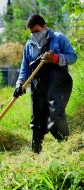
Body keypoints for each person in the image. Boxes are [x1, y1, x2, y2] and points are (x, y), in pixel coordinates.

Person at [13, 15, 77, 154]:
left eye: (37, 31)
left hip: (57, 82)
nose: (35, 35)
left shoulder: (59, 38)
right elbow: (25, 68)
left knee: (55, 116)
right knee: (37, 119)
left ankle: (66, 149)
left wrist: (55, 58)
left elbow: (73, 57)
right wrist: (19, 84)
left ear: (44, 26)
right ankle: (35, 152)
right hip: (37, 84)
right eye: (32, 33)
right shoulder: (29, 45)